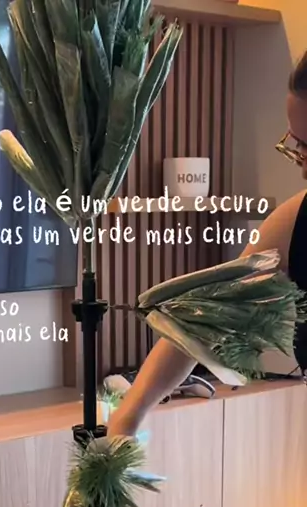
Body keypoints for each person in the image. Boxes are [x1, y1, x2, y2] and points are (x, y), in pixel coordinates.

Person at [107, 50, 307, 438]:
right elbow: (201, 322)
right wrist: (129, 415)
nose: (302, 166)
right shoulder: (294, 221)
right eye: (297, 144)